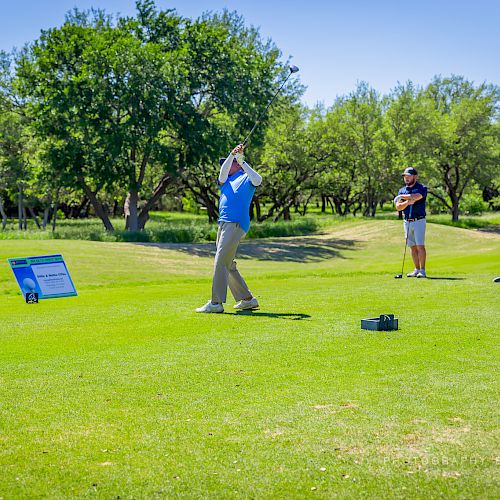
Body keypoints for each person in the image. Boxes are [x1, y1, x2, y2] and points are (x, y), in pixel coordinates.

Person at [196, 144, 262, 313]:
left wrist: (242, 161)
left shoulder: (246, 177)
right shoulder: (225, 180)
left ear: (238, 165)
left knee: (220, 260)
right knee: (228, 263)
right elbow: (222, 172)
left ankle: (216, 303)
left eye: (230, 162)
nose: (226, 164)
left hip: (236, 223)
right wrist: (232, 154)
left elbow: (258, 180)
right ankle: (247, 299)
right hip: (223, 223)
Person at [395, 167, 428, 278]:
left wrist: (402, 198)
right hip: (407, 221)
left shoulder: (421, 188)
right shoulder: (402, 190)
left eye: (408, 176)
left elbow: (417, 196)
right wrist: (408, 202)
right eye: (405, 176)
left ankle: (422, 271)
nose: (406, 178)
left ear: (415, 176)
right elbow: (398, 207)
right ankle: (416, 269)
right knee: (412, 247)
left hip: (419, 220)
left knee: (420, 246)